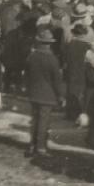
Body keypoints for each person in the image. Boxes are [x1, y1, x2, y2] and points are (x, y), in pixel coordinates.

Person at [25, 27, 64, 157]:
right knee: (44, 122)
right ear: (49, 43)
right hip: (47, 95)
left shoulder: (32, 56)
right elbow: (57, 81)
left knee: (35, 120)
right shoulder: (52, 59)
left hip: (34, 93)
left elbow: (27, 75)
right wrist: (61, 96)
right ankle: (41, 147)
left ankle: (32, 145)